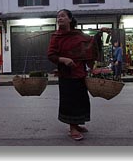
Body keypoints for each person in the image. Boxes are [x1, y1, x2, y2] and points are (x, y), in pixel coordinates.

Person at [47, 9, 109, 141]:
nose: (60, 18)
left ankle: (77, 124)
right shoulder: (55, 37)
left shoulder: (78, 35)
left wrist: (100, 33)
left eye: (63, 16)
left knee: (81, 100)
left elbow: (90, 44)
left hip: (80, 73)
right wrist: (64, 60)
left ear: (70, 19)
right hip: (66, 75)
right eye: (58, 17)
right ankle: (72, 128)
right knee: (70, 101)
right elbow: (51, 55)